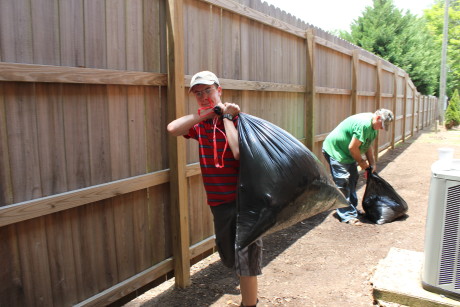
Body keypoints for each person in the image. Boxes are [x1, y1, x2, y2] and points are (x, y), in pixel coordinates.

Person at [167, 71, 261, 307]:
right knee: (230, 254)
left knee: (245, 255)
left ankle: (249, 303)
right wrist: (210, 113)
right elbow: (172, 129)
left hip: (244, 200)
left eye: (207, 90)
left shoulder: (240, 120)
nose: (203, 96)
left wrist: (227, 117)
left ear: (219, 90)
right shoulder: (201, 125)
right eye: (198, 93)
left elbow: (238, 151)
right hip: (219, 202)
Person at [322, 109, 394, 225]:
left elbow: (367, 146)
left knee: (353, 179)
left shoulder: (373, 128)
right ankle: (346, 215)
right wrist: (361, 162)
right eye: (382, 125)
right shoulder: (364, 125)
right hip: (336, 151)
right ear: (377, 118)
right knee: (343, 181)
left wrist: (372, 163)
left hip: (348, 154)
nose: (382, 128)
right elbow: (352, 147)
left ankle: (351, 209)